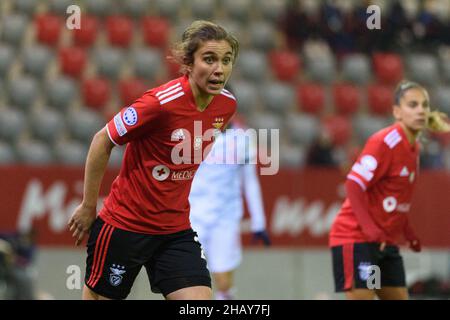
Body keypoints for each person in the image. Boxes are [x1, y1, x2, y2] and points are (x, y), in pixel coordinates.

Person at [67, 20, 239, 300]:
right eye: (209, 59)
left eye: (226, 60)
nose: (219, 69)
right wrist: (88, 206)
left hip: (175, 230)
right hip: (124, 226)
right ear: (188, 62)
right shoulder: (159, 104)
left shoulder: (227, 106)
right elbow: (102, 140)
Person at [329, 80, 450, 300]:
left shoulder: (414, 148)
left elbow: (393, 199)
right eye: (412, 105)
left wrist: (408, 232)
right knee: (364, 297)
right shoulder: (385, 142)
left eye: (424, 105)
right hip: (358, 240)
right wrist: (370, 230)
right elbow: (353, 185)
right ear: (397, 112)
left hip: (385, 244)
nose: (420, 110)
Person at [188, 116, 271, 300]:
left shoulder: (243, 139)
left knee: (223, 281)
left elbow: (249, 181)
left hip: (225, 218)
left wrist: (259, 222)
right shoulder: (194, 133)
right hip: (193, 217)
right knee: (190, 281)